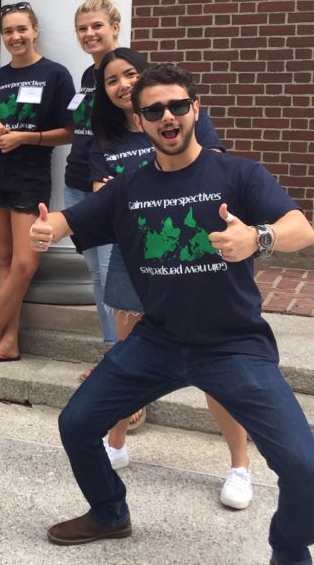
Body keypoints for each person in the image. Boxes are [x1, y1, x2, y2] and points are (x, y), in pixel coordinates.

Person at [32, 64, 314, 565]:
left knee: (305, 467)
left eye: (177, 106)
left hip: (233, 345)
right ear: (140, 121)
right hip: (157, 341)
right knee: (77, 423)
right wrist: (46, 228)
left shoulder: (239, 174)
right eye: (154, 109)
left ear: (195, 111)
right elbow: (70, 220)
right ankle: (109, 513)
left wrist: (257, 237)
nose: (168, 116)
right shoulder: (128, 188)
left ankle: (290, 550)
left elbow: (302, 228)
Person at [90, 49, 253, 508]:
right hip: (134, 257)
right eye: (112, 80)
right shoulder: (105, 135)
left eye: (130, 75)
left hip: (199, 256)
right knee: (127, 358)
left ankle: (240, 465)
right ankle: (116, 445)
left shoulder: (181, 116)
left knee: (218, 369)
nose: (122, 85)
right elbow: (104, 194)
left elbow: (211, 173)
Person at [0, 1, 74, 364]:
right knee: (6, 259)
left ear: (35, 30)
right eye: (8, 31)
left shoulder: (55, 75)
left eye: (22, 29)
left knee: (26, 264)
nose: (15, 36)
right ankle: (9, 342)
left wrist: (28, 138)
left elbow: (70, 132)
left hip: (30, 176)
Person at [63, 0, 121, 357]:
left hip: (108, 187)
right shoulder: (88, 73)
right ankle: (111, 352)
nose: (89, 33)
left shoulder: (125, 73)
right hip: (76, 185)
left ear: (115, 27)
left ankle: (123, 359)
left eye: (97, 26)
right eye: (82, 28)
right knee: (98, 276)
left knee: (115, 276)